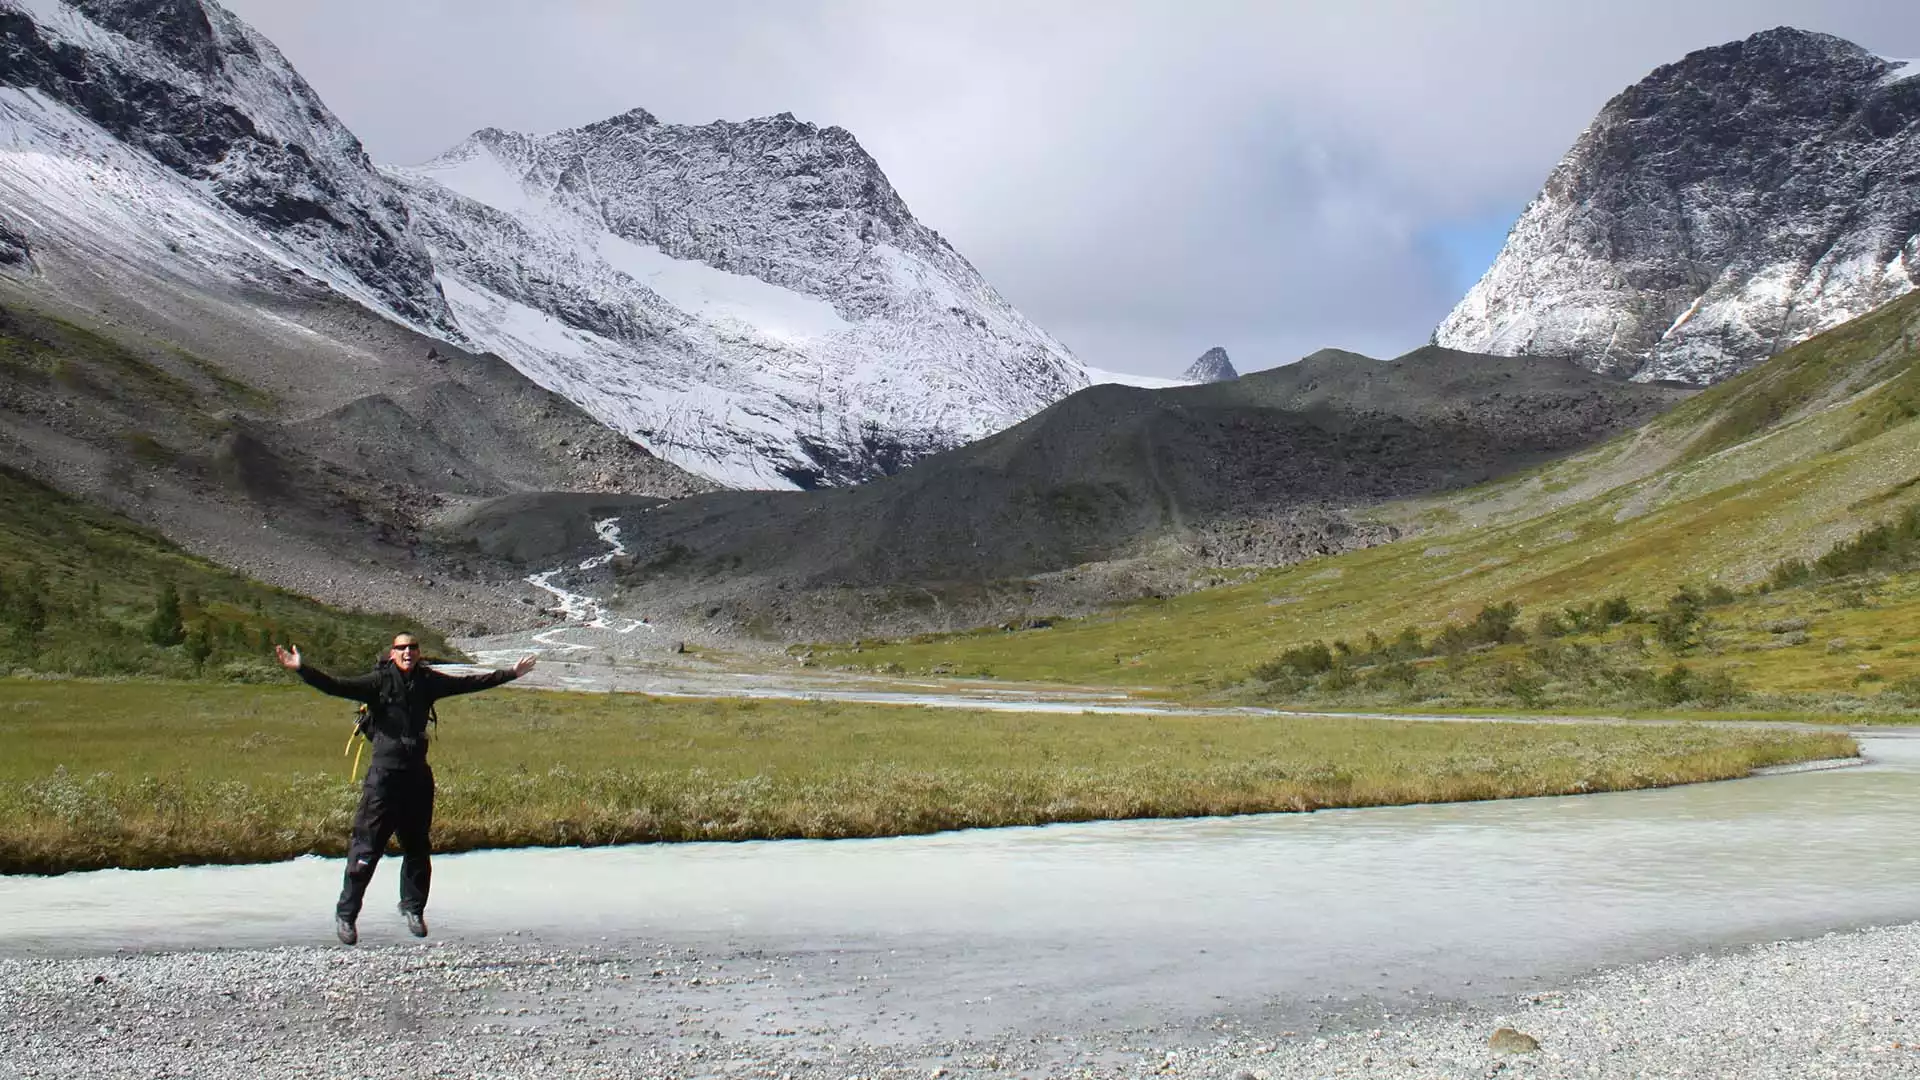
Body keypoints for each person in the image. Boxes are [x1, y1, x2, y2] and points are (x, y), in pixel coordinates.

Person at [275, 634, 535, 945]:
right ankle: (346, 915)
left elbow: (468, 683)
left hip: (417, 778)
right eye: (402, 648)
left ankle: (413, 909)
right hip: (383, 779)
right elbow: (337, 686)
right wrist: (301, 669)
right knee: (366, 849)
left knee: (417, 847)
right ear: (392, 653)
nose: (408, 652)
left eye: (412, 647)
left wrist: (511, 674)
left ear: (419, 653)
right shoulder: (378, 682)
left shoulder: (429, 681)